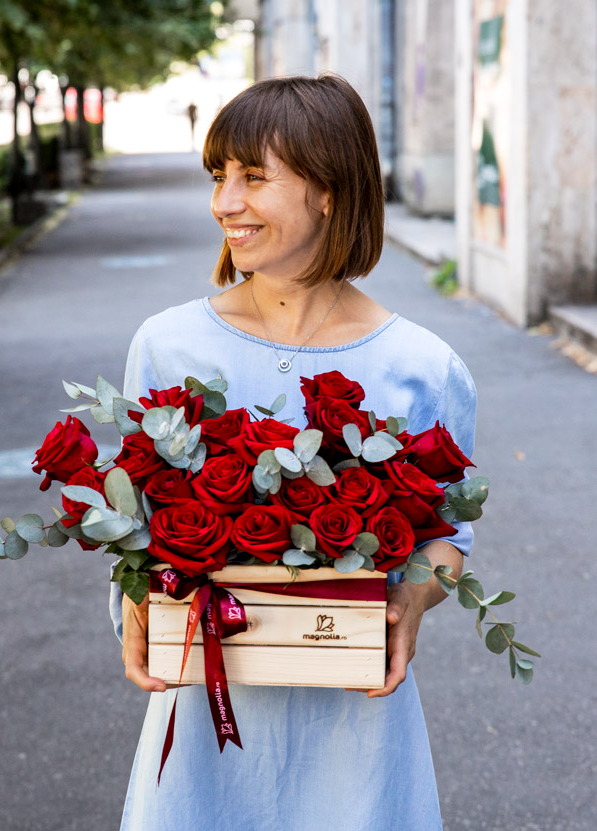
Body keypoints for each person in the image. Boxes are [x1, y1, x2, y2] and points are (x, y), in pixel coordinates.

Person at [111, 74, 476, 831]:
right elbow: (132, 527)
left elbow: (445, 540)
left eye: (252, 177)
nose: (223, 204)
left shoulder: (423, 364)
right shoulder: (166, 343)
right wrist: (139, 601)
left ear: (329, 192)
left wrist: (412, 598)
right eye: (218, 177)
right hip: (205, 719)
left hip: (356, 729)